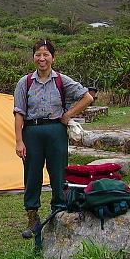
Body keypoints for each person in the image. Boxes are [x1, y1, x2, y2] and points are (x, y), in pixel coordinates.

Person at [13, 39, 94, 238]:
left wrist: (68, 115)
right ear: (33, 57)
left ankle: (57, 213)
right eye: (38, 54)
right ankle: (33, 219)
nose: (42, 59)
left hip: (56, 131)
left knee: (58, 173)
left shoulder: (61, 80)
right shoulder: (25, 82)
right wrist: (19, 140)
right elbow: (19, 113)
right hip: (31, 132)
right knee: (32, 175)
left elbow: (88, 97)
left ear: (53, 58)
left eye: (46, 54)